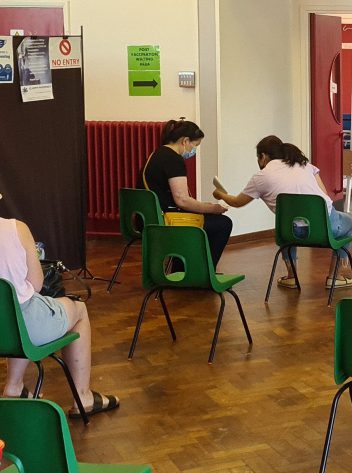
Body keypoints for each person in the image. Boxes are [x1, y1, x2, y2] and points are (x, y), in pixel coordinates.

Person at [0, 217, 119, 417]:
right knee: (78, 309)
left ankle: (15, 386)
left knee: (13, 313)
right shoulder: (17, 229)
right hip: (23, 327)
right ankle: (83, 397)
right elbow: (36, 285)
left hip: (9, 327)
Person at [213, 135, 352, 289]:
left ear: (263, 156)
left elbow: (237, 202)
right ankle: (335, 277)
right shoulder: (305, 165)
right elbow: (324, 196)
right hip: (325, 230)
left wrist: (220, 194)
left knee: (288, 225)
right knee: (348, 222)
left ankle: (292, 277)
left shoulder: (261, 177)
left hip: (290, 233)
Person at [139, 118, 232, 269]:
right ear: (185, 141)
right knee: (223, 223)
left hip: (149, 218)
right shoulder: (173, 159)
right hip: (164, 221)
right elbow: (182, 200)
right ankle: (202, 272)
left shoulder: (157, 154)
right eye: (195, 145)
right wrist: (213, 208)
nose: (194, 151)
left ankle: (182, 270)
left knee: (207, 219)